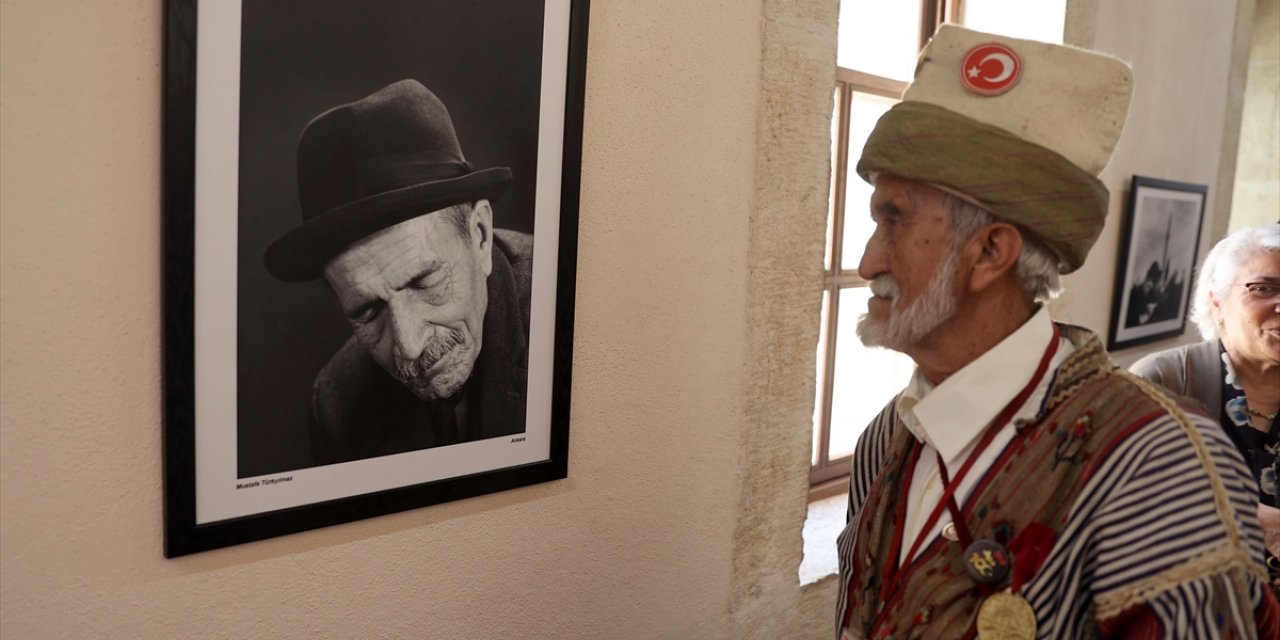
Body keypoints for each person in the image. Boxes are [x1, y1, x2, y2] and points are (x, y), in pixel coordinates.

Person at [834, 25, 1278, 639]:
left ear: (991, 252)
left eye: (894, 222)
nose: (868, 262)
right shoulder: (889, 437)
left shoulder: (1168, 468)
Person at [263, 79, 532, 465]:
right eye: (367, 312)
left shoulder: (573, 319)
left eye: (424, 280)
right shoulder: (336, 405)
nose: (407, 344)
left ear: (481, 236)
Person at [1131, 223, 1280, 586]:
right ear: (1217, 301)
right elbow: (1120, 500)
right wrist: (1257, 519)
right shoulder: (1163, 380)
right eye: (1263, 288)